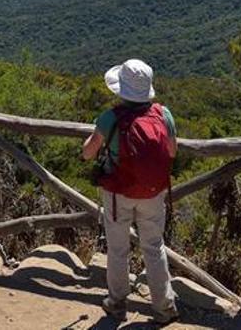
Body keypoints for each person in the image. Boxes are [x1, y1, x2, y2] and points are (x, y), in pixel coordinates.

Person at [81, 58, 179, 323]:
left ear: (121, 88)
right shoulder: (163, 114)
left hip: (118, 193)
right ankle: (164, 307)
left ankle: (117, 303)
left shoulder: (110, 118)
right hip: (153, 193)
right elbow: (172, 151)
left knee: (118, 248)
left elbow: (88, 153)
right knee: (154, 246)